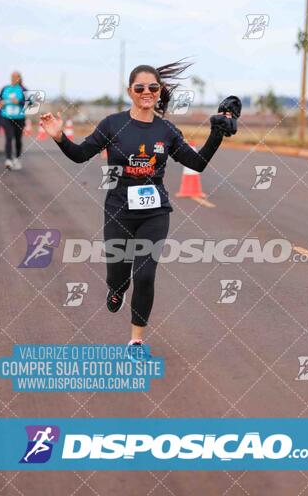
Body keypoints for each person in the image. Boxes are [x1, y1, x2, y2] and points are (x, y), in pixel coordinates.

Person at [40, 60, 238, 351]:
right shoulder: (112, 124)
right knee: (118, 277)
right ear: (130, 91)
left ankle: (136, 339)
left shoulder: (167, 131)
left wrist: (216, 134)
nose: (147, 92)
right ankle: (116, 290)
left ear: (160, 91)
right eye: (140, 87)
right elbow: (81, 154)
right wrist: (59, 137)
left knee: (144, 275)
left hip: (155, 213)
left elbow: (197, 163)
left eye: (153, 87)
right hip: (118, 210)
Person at [0, 71, 27, 169]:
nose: (13, 78)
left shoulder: (23, 89)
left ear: (19, 78)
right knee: (9, 137)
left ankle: (17, 159)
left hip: (19, 118)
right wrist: (0, 103)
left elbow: (30, 103)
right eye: (12, 76)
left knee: (18, 139)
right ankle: (8, 160)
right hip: (6, 117)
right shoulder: (5, 88)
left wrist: (19, 101)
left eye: (15, 76)